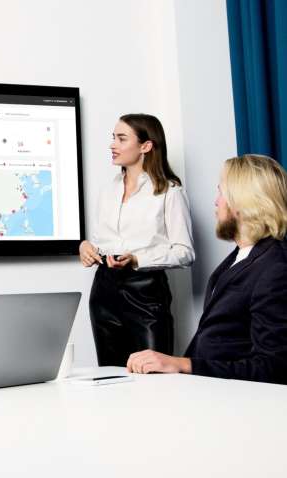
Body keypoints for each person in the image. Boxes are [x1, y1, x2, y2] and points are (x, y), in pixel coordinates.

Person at [127, 154, 287, 384]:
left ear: (243, 202)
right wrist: (170, 367)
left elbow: (275, 368)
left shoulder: (276, 268)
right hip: (204, 390)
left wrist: (183, 365)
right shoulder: (238, 259)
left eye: (221, 192)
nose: (216, 201)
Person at [79, 114, 195, 366]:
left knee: (153, 379)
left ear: (146, 146)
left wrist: (138, 259)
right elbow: (103, 241)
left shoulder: (170, 191)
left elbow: (185, 253)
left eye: (121, 138)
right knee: (110, 378)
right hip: (103, 290)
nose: (112, 145)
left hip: (145, 293)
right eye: (113, 138)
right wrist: (87, 247)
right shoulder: (108, 190)